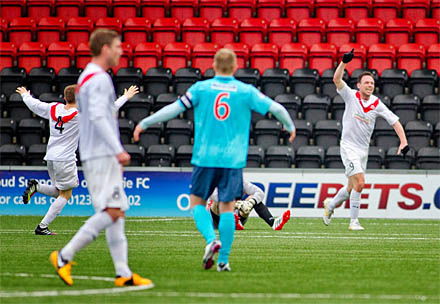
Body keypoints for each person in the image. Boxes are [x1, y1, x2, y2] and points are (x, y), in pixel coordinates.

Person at [133, 48, 296, 272]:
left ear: (214, 66)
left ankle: (211, 240)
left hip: (205, 157)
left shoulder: (201, 88)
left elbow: (173, 109)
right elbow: (277, 108)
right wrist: (289, 126)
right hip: (233, 160)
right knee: (228, 208)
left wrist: (145, 123)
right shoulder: (245, 90)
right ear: (236, 67)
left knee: (198, 203)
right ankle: (224, 261)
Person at [49, 29, 153, 288]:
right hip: (101, 154)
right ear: (105, 48)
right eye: (118, 46)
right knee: (114, 211)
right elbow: (97, 117)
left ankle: (123, 273)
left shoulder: (88, 77)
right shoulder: (98, 79)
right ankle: (64, 256)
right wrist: (117, 149)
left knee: (117, 213)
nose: (121, 51)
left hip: (96, 153)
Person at [19, 85, 139, 236]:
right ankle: (42, 226)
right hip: (65, 159)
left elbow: (35, 105)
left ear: (64, 98)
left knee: (59, 192)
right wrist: (126, 97)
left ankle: (37, 187)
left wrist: (25, 95)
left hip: (50, 156)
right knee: (65, 195)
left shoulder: (53, 108)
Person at [323, 49, 409, 231]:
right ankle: (354, 222)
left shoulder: (377, 103)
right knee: (360, 183)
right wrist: (343, 63)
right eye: (366, 83)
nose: (370, 85)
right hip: (348, 147)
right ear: (359, 85)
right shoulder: (351, 95)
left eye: (372, 83)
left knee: (351, 187)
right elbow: (337, 80)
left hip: (363, 150)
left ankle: (330, 205)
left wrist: (403, 142)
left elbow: (395, 121)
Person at [208, 181, 291, 231]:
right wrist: (238, 204)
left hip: (238, 217)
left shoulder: (240, 181)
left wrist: (250, 203)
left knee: (253, 198)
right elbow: (215, 197)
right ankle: (233, 220)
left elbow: (259, 192)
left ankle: (273, 223)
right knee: (217, 203)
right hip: (216, 218)